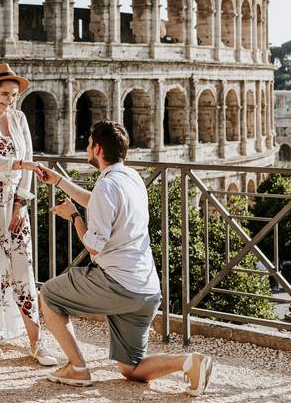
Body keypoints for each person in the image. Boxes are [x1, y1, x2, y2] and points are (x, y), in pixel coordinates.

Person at [34, 121, 212, 396]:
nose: (86, 147)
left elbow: (93, 245)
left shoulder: (107, 186)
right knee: (131, 368)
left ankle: (78, 368)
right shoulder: (131, 178)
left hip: (117, 284)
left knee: (48, 295)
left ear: (98, 149)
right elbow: (100, 202)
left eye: (89, 143)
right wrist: (59, 181)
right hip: (147, 290)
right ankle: (190, 362)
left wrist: (74, 217)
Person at [0, 63, 57, 366]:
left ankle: (36, 340)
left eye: (14, 95)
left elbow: (28, 157)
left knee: (22, 265)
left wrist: (20, 203)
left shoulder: (19, 118)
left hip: (12, 201)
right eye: (4, 94)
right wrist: (19, 166)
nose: (10, 100)